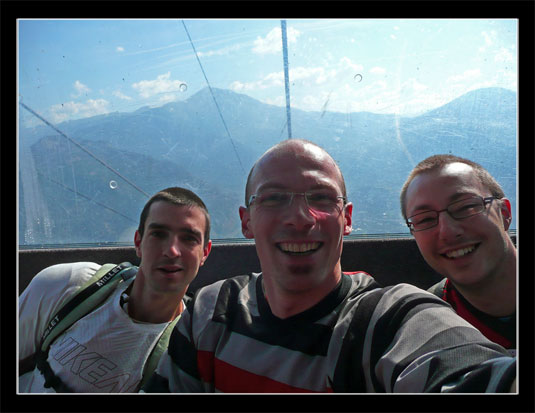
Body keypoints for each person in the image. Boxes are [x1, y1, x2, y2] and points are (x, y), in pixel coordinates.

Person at [143, 139, 515, 393]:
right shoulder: (212, 310)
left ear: (347, 218)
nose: (301, 218)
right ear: (246, 221)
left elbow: (468, 372)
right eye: (273, 199)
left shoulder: (387, 322)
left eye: (321, 197)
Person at [18, 187, 212, 392]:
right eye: (159, 234)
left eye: (189, 238)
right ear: (138, 242)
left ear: (205, 253)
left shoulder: (186, 346)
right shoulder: (70, 285)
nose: (172, 250)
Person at [400, 154, 516, 353]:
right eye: (425, 220)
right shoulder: (425, 327)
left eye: (467, 206)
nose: (448, 232)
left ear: (504, 214)